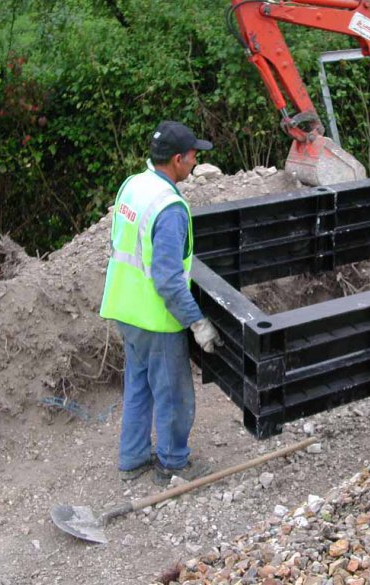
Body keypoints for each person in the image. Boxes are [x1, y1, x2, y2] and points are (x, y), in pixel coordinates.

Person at [100, 121, 223, 485]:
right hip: (156, 318)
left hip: (125, 307)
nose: (196, 161)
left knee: (139, 386)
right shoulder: (169, 208)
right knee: (173, 395)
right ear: (177, 159)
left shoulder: (134, 185)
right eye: (193, 156)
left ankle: (133, 458)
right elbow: (168, 280)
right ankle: (173, 463)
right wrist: (197, 323)